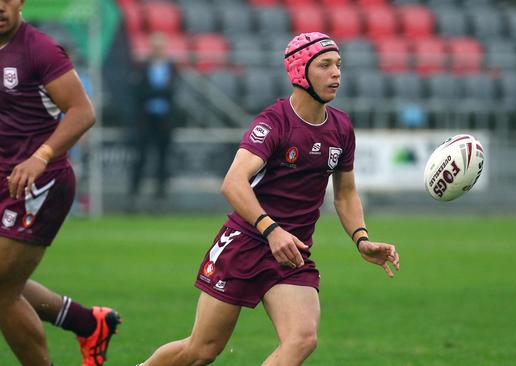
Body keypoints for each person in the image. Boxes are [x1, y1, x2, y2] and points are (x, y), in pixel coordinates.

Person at [138, 32, 400, 366]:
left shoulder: (342, 128)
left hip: (292, 253)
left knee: (302, 339)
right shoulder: (274, 122)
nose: (336, 73)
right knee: (201, 350)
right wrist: (271, 229)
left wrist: (361, 239)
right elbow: (233, 184)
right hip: (245, 245)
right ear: (299, 72)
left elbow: (346, 193)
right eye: (325, 65)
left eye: (338, 65)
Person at [0, 1, 120, 365]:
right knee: (7, 284)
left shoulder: (39, 49)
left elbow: (83, 111)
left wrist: (40, 156)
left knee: (1, 292)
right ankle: (88, 323)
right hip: (4, 179)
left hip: (38, 184)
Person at [129, 32, 177, 208]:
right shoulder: (143, 67)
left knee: (163, 158)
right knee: (141, 157)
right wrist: (159, 91)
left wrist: (155, 92)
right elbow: (140, 93)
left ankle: (161, 195)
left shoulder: (171, 67)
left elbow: (172, 92)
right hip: (146, 120)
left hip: (164, 121)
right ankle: (134, 194)